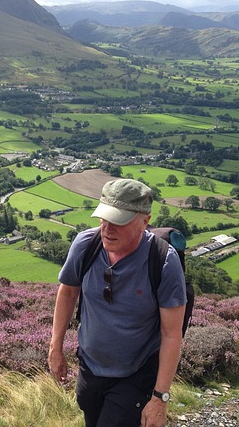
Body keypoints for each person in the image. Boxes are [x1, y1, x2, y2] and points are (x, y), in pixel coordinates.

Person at [49, 178, 187, 427]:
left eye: (119, 221)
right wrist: (55, 348)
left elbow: (171, 334)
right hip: (90, 368)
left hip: (135, 375)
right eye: (104, 219)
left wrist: (160, 398)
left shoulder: (163, 262)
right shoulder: (85, 246)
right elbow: (68, 292)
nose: (107, 229)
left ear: (145, 220)